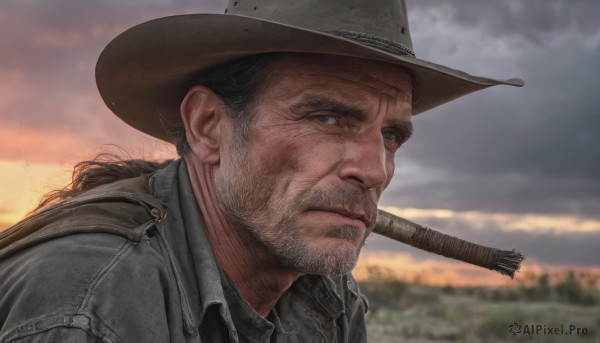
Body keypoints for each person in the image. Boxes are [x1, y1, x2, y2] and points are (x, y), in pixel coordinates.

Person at [0, 0, 523, 342]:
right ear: (209, 128)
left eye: (391, 136)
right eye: (327, 117)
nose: (374, 171)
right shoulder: (90, 304)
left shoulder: (322, 289)